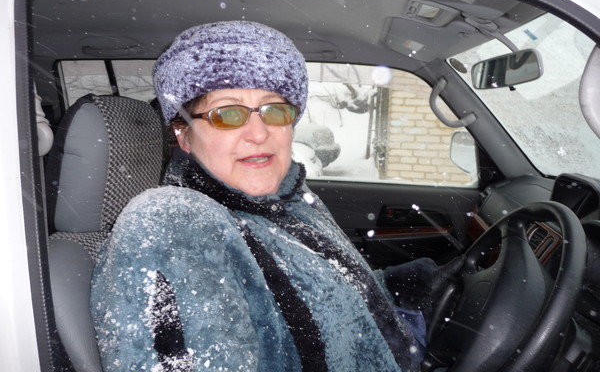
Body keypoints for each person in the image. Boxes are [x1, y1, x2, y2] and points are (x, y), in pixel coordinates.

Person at [91, 21, 457, 372]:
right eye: (227, 114)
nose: (259, 133)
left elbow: (335, 292)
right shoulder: (172, 225)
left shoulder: (290, 199)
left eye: (275, 110)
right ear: (183, 134)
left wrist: (418, 286)